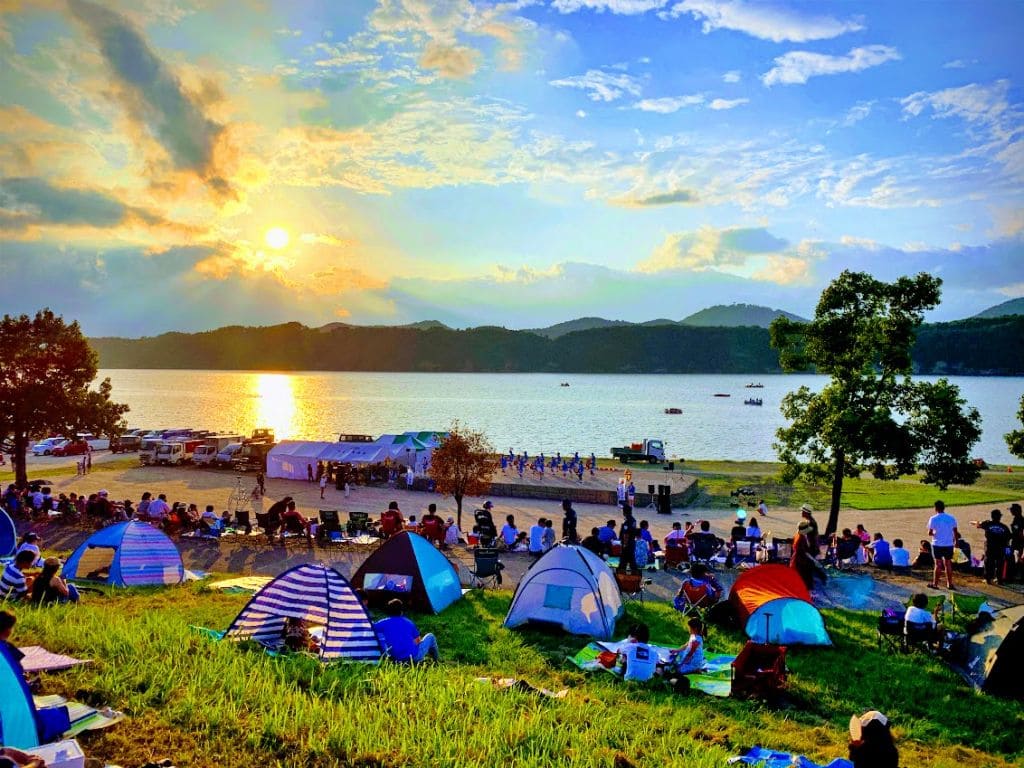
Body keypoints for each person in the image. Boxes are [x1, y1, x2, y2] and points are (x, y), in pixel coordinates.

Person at [373, 599, 439, 663]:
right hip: (414, 657)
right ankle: (436, 661)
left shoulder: (383, 623)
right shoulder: (408, 622)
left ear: (388, 611)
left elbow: (372, 627)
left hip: (395, 659)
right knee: (431, 636)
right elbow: (418, 641)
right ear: (401, 611)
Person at [971, 509, 1012, 585]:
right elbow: (1008, 539)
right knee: (1000, 563)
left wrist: (972, 522)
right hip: (1000, 548)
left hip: (990, 547)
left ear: (992, 516)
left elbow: (978, 524)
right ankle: (999, 580)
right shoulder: (1004, 527)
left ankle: (988, 579)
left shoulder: (988, 524)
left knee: (988, 563)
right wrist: (1008, 551)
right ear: (1000, 517)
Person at [927, 500, 958, 590]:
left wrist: (934, 533)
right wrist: (956, 542)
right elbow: (955, 531)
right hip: (948, 544)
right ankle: (949, 584)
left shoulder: (933, 518)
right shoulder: (951, 518)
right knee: (948, 563)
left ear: (935, 508)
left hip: (937, 543)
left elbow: (930, 532)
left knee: (938, 564)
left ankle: (935, 584)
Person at [618, 505, 638, 573]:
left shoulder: (626, 522)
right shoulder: (633, 520)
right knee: (631, 559)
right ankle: (635, 574)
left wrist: (624, 544)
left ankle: (621, 574)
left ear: (624, 512)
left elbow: (626, 534)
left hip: (627, 544)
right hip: (632, 542)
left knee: (623, 560)